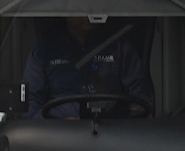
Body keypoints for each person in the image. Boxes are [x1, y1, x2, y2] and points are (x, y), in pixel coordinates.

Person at [22, 16, 154, 118]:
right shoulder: (44, 51)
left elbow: (141, 97)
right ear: (65, 8)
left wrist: (130, 120)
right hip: (59, 137)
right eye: (81, 6)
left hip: (114, 134)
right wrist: (54, 125)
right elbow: (29, 104)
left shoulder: (121, 46)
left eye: (93, 6)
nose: (89, 12)